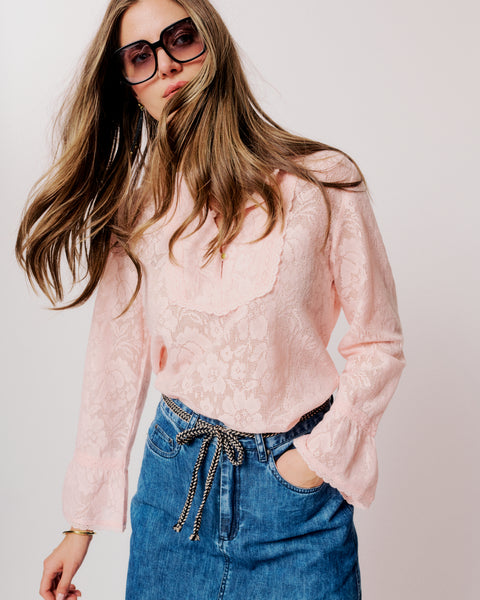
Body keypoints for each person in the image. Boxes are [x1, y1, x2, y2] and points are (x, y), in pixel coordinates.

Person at [16, 0, 406, 598]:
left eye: (180, 39)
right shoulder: (138, 210)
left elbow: (379, 342)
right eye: (140, 56)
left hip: (296, 509)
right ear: (130, 89)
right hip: (173, 497)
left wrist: (314, 461)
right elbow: (115, 364)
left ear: (213, 43)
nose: (167, 65)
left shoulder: (321, 181)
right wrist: (79, 525)